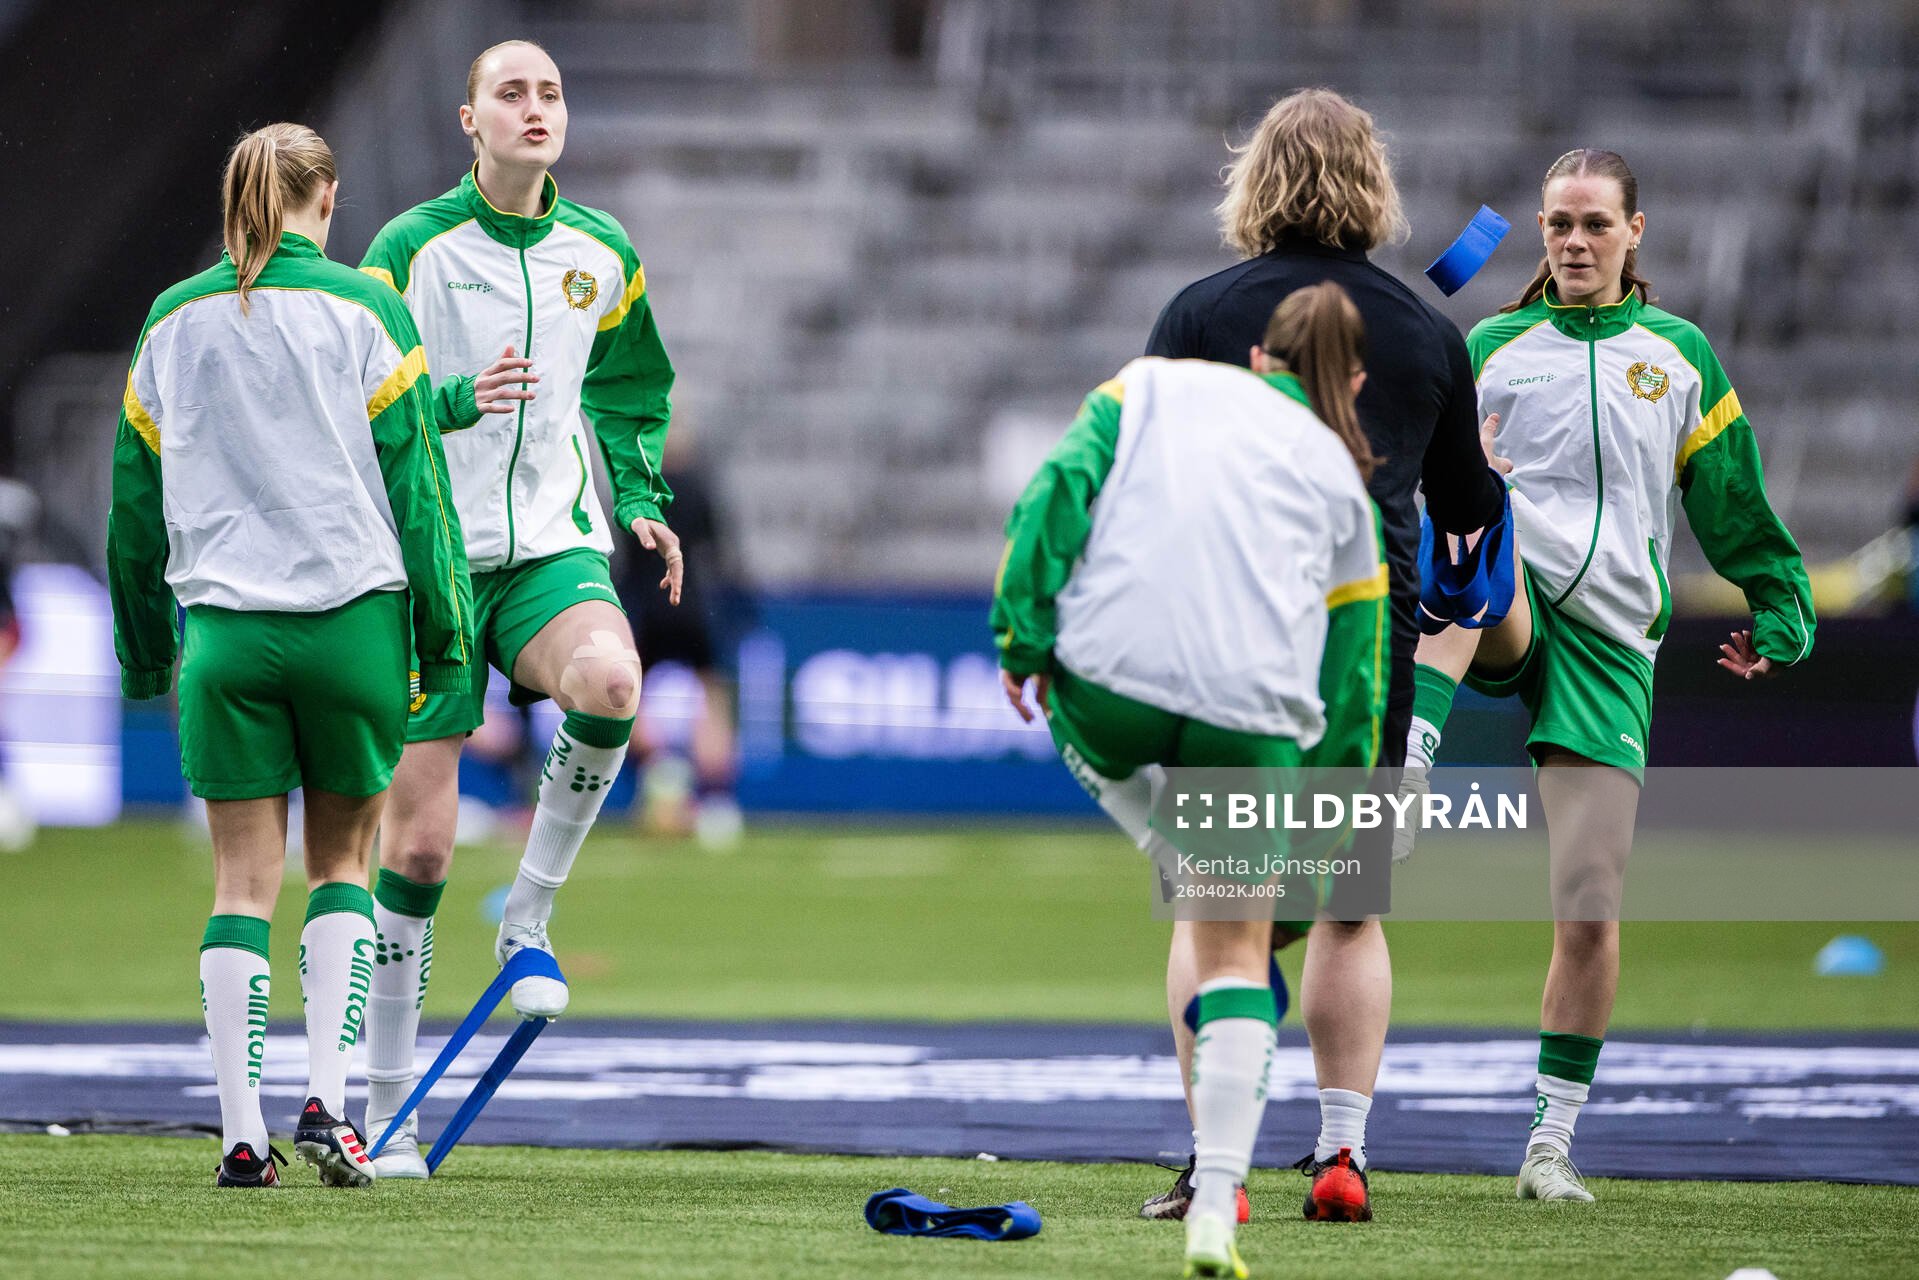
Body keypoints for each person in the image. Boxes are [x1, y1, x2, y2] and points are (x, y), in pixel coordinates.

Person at [1402, 148, 1815, 1200]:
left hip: (1612, 638)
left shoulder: (1678, 357)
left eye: (1593, 223)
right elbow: (1413, 477)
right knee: (1472, 546)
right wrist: (1465, 481)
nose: (1573, 242)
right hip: (1515, 592)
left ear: (1635, 232)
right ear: (1538, 232)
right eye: (1557, 223)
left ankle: (1548, 1144)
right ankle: (1408, 761)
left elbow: (1730, 498)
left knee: (1588, 903)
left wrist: (1779, 608)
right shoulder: (1488, 347)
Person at [1140, 87, 1507, 1222]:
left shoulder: (1197, 312)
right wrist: (1480, 466)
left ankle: (1217, 1165)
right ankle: (1341, 1154)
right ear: (1370, 185)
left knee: (1217, 903)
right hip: (1363, 642)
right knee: (1349, 904)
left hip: (1229, 637)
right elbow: (1466, 521)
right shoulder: (1424, 331)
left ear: (1254, 181)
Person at [995, 284, 1389, 1279]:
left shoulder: (1146, 386)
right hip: (1249, 715)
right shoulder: (1343, 484)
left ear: (1257, 357)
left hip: (1110, 686)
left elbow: (1052, 495)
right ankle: (1214, 1204)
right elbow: (1352, 687)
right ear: (1352, 384)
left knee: (1136, 795)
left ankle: (1170, 842)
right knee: (1236, 952)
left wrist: (1021, 634)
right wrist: (1320, 840)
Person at [106, 123, 473, 1188]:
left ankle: (238, 1136)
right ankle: (329, 1103)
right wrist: (446, 636)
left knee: (239, 883)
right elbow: (419, 491)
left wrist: (144, 650)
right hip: (353, 627)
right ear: (329, 198)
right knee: (343, 865)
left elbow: (132, 504)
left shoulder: (172, 319)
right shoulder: (368, 308)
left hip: (225, 633)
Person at [354, 39, 681, 1179]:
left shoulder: (603, 251)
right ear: (469, 120)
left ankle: (527, 917)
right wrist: (451, 400)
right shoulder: (409, 249)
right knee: (419, 846)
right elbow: (361, 398)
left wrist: (638, 499)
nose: (535, 108)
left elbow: (631, 389)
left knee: (613, 682)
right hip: (432, 562)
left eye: (550, 92)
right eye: (511, 93)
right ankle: (386, 1113)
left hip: (550, 547)